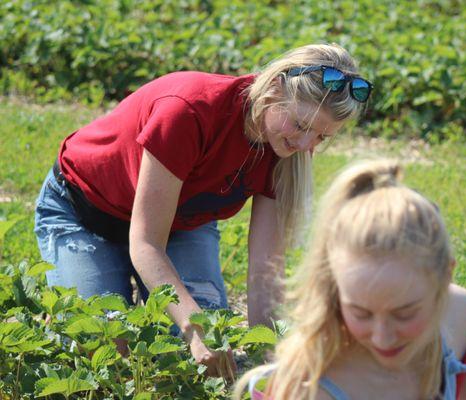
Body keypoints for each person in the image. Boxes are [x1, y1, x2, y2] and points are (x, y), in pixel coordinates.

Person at [33, 43, 372, 376]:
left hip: (181, 226)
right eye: (301, 125)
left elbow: (264, 271)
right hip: (85, 214)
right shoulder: (189, 110)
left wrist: (273, 362)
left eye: (321, 138)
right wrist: (193, 326)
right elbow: (146, 243)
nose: (305, 145)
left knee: (203, 357)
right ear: (273, 88)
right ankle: (74, 295)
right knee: (108, 346)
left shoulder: (287, 148)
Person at [234, 159, 466, 399]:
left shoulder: (462, 316)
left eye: (404, 313)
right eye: (360, 313)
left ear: (445, 276)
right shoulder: (309, 385)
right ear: (335, 287)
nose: (382, 337)